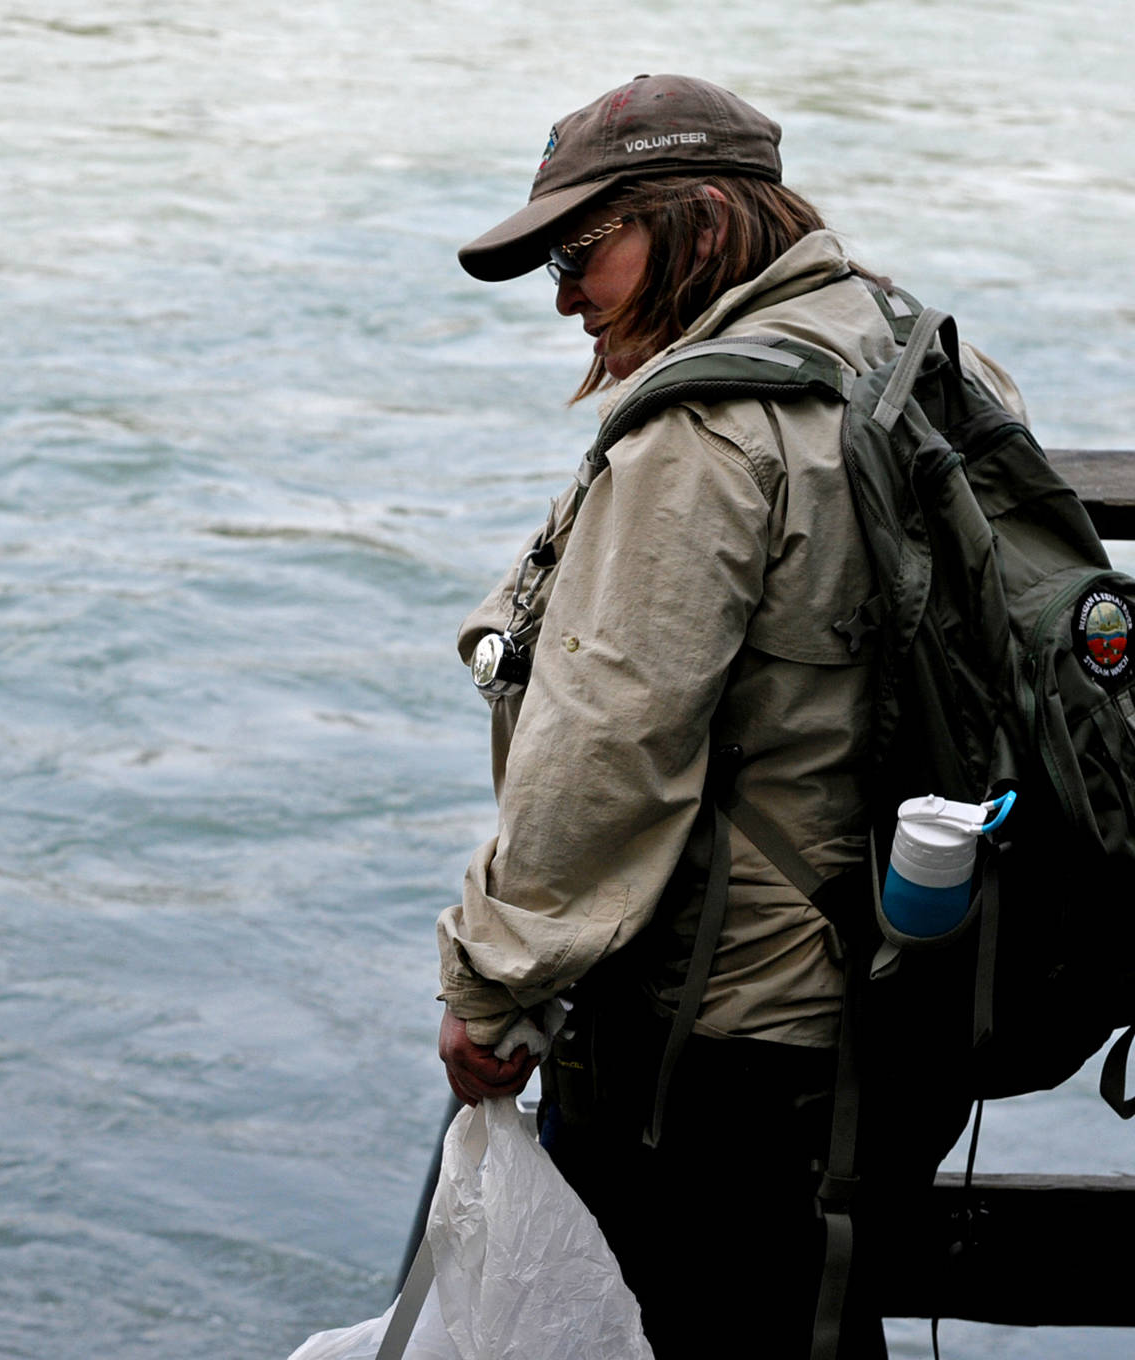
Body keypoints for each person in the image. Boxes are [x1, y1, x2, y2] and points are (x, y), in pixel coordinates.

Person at [434, 75, 1028, 1358]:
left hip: (721, 1033)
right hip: (903, 979)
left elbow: (606, 744)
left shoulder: (705, 432)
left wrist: (490, 992)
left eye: (582, 250)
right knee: (816, 1316)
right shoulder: (927, 353)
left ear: (700, 216)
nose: (562, 295)